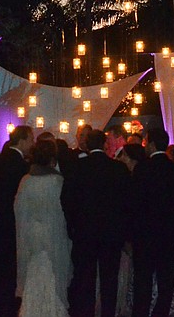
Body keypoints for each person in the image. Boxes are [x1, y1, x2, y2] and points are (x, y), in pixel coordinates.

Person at [62, 129, 128, 317]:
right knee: (109, 280)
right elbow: (126, 201)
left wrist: (73, 224)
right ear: (105, 144)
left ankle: (86, 313)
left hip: (85, 232)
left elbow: (66, 199)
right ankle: (108, 313)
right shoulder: (118, 169)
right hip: (111, 233)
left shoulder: (77, 168)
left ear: (88, 145)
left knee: (85, 280)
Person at [129, 128, 174, 317]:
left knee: (143, 281)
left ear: (152, 144)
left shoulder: (142, 169)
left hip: (145, 234)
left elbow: (135, 202)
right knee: (165, 281)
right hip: (168, 233)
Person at [16, 139, 72, 317]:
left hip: (32, 233)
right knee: (54, 271)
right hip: (54, 232)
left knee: (35, 269)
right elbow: (63, 209)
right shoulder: (57, 181)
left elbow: (19, 209)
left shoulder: (26, 181)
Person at [0, 125, 33, 317]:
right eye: (31, 139)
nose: (32, 144)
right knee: (10, 264)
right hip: (13, 221)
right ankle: (8, 303)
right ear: (22, 140)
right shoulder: (21, 166)